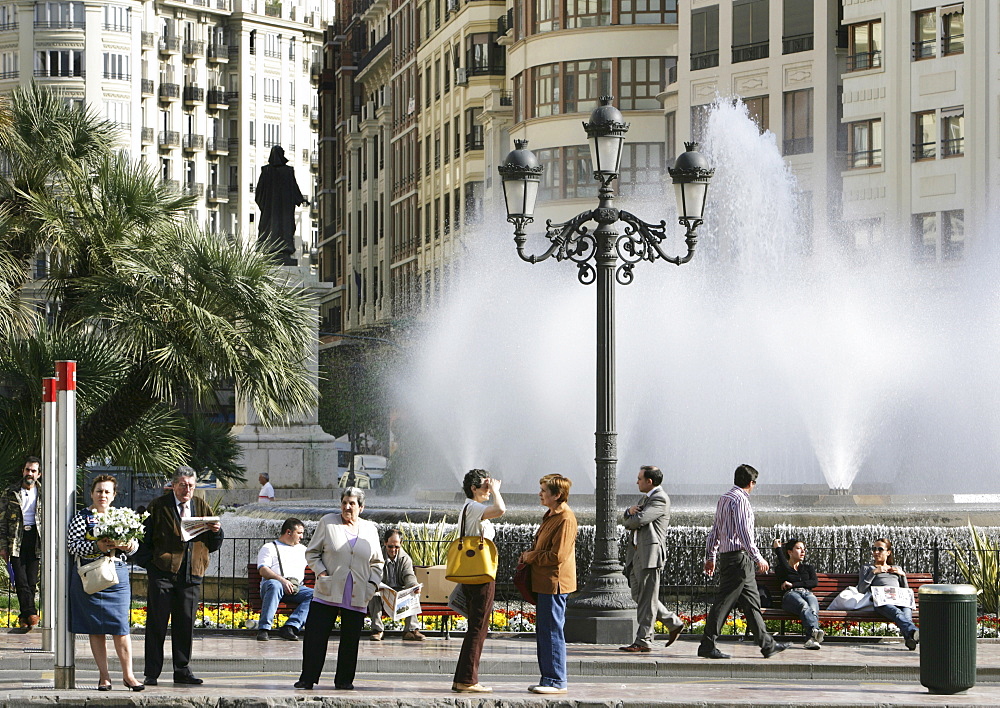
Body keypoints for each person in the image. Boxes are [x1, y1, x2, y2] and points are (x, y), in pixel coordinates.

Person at [140, 466, 223, 686]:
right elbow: (144, 538)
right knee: (157, 623)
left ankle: (182, 670)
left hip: (191, 574)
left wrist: (217, 532)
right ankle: (152, 672)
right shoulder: (159, 506)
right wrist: (151, 564)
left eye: (191, 486)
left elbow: (212, 545)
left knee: (185, 624)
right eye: (183, 485)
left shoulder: (201, 506)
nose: (187, 489)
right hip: (163, 573)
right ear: (174, 485)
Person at [295, 487, 383, 691]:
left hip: (358, 592)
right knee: (316, 637)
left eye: (352, 503)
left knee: (350, 641)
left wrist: (372, 585)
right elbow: (312, 553)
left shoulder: (370, 528)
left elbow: (377, 563)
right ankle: (307, 678)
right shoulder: (328, 522)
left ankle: (344, 680)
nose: (347, 507)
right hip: (328, 589)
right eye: (344, 502)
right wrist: (321, 572)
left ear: (361, 507)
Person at [699, 464, 787, 660]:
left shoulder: (724, 499)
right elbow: (744, 532)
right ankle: (707, 644)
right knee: (724, 602)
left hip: (730, 558)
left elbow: (715, 530)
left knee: (752, 602)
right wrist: (758, 557)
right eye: (755, 483)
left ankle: (767, 645)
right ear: (751, 482)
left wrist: (711, 556)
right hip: (739, 558)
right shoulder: (741, 500)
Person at [68, 474, 144, 691]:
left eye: (107, 491)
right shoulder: (82, 517)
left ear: (114, 495)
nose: (103, 495)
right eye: (99, 491)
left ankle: (129, 675)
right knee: (96, 629)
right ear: (92, 493)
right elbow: (72, 546)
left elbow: (135, 545)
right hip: (91, 576)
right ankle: (104, 677)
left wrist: (128, 546)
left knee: (120, 627)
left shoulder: (121, 516)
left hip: (116, 576)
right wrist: (97, 547)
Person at [519, 474, 576, 695]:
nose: (540, 494)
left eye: (544, 490)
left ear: (557, 495)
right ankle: (548, 679)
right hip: (545, 583)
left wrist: (530, 557)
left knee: (552, 631)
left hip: (555, 584)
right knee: (545, 632)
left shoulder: (566, 519)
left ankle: (556, 680)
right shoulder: (551, 515)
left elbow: (557, 556)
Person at [619, 465, 684, 653]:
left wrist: (629, 516)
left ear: (650, 481)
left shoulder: (660, 499)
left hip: (649, 555)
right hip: (637, 555)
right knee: (639, 596)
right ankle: (673, 623)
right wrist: (628, 512)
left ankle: (643, 640)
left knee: (647, 599)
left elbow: (638, 521)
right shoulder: (645, 498)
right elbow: (631, 517)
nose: (636, 481)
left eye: (639, 478)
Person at [451, 469, 506, 694]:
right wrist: (497, 491)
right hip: (481, 574)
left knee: (475, 626)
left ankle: (461, 678)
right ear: (473, 488)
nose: (487, 490)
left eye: (488, 486)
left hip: (471, 572)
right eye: (484, 486)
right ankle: (467, 679)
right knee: (478, 627)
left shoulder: (468, 508)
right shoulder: (474, 507)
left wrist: (491, 488)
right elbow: (500, 509)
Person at [0, 456, 43, 631]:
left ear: (39, 474)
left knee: (32, 580)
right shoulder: (10, 491)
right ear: (23, 471)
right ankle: (31, 612)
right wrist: (2, 546)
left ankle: (24, 617)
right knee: (20, 579)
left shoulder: (44, 493)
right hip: (15, 538)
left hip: (36, 538)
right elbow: (1, 521)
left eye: (33, 471)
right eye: (27, 470)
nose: (29, 474)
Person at [256, 517, 313, 641]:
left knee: (316, 596)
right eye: (299, 533)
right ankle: (264, 629)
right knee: (275, 585)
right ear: (288, 532)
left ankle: (290, 627)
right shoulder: (269, 547)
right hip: (272, 587)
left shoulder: (303, 550)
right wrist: (282, 580)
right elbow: (263, 570)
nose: (302, 537)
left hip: (295, 588)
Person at [859, 539, 919, 650]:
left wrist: (903, 575)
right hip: (882, 600)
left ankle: (910, 638)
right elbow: (861, 589)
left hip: (900, 600)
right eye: (874, 549)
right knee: (896, 612)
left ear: (888, 552)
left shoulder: (897, 568)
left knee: (906, 613)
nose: (876, 552)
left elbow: (905, 590)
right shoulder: (868, 568)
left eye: (880, 549)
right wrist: (873, 573)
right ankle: (914, 632)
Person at [367, 528, 425, 641]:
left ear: (401, 544)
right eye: (390, 546)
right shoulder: (377, 556)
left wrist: (413, 585)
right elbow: (375, 574)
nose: (393, 550)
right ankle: (378, 630)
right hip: (382, 590)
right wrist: (375, 585)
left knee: (413, 593)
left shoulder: (405, 558)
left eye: (397, 547)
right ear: (385, 543)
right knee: (373, 597)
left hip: (399, 590)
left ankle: (411, 630)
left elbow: (409, 575)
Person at [255, 145, 307, 265]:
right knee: (283, 227)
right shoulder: (285, 171)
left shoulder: (268, 171)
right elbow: (294, 188)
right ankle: (279, 249)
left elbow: (259, 193)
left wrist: (265, 205)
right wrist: (299, 199)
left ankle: (277, 250)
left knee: (277, 227)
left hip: (273, 211)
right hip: (282, 210)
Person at [772, 538, 824, 649]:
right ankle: (815, 632)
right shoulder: (781, 568)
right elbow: (787, 569)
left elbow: (814, 582)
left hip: (807, 593)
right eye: (799, 548)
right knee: (804, 606)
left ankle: (811, 639)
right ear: (790, 552)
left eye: (804, 549)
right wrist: (778, 549)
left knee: (813, 610)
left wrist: (794, 584)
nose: (803, 551)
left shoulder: (808, 568)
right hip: (790, 595)